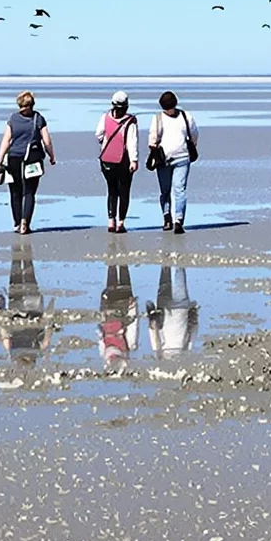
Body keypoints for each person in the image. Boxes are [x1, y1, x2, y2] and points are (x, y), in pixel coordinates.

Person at [0, 90, 54, 234]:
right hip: (33, 158)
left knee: (15, 192)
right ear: (32, 104)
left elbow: (6, 141)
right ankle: (25, 223)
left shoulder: (13, 119)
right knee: (29, 192)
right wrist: (51, 156)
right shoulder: (39, 118)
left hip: (13, 158)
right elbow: (46, 140)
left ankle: (16, 223)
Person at [147, 89, 199, 233]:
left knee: (174, 190)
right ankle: (172, 219)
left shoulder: (161, 118)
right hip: (170, 159)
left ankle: (174, 220)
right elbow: (194, 135)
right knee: (173, 190)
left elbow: (152, 140)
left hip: (178, 158)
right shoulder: (184, 116)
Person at [96, 90, 140, 232]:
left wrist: (105, 142)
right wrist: (134, 160)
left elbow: (99, 134)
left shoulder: (105, 117)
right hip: (124, 161)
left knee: (112, 190)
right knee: (124, 191)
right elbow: (132, 142)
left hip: (106, 159)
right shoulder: (130, 121)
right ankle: (120, 222)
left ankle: (111, 220)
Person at [148, 265, 201, 356]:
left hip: (180, 310)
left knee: (179, 277)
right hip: (165, 308)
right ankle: (166, 260)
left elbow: (193, 329)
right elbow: (153, 326)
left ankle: (175, 259)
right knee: (165, 280)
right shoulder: (158, 351)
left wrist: (194, 312)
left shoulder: (185, 351)